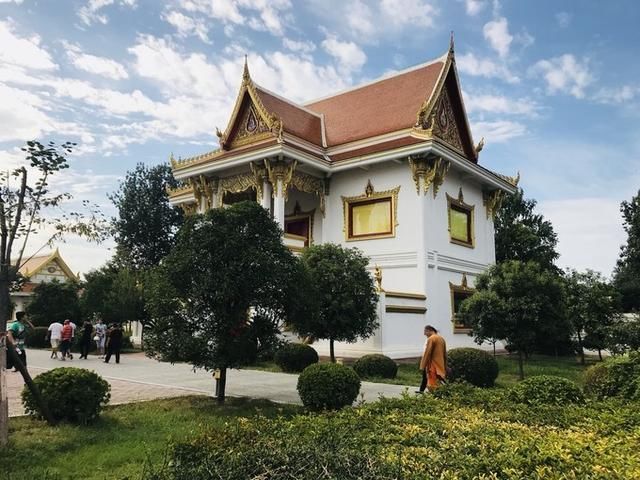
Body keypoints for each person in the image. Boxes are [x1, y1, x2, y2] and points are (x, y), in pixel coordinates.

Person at [417, 325, 447, 393]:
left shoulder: (431, 339)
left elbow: (428, 352)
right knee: (438, 378)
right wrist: (444, 363)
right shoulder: (441, 338)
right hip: (440, 363)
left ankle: (434, 394)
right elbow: (444, 353)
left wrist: (423, 365)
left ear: (429, 330)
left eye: (425, 331)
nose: (424, 334)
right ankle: (423, 390)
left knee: (432, 380)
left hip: (432, 363)